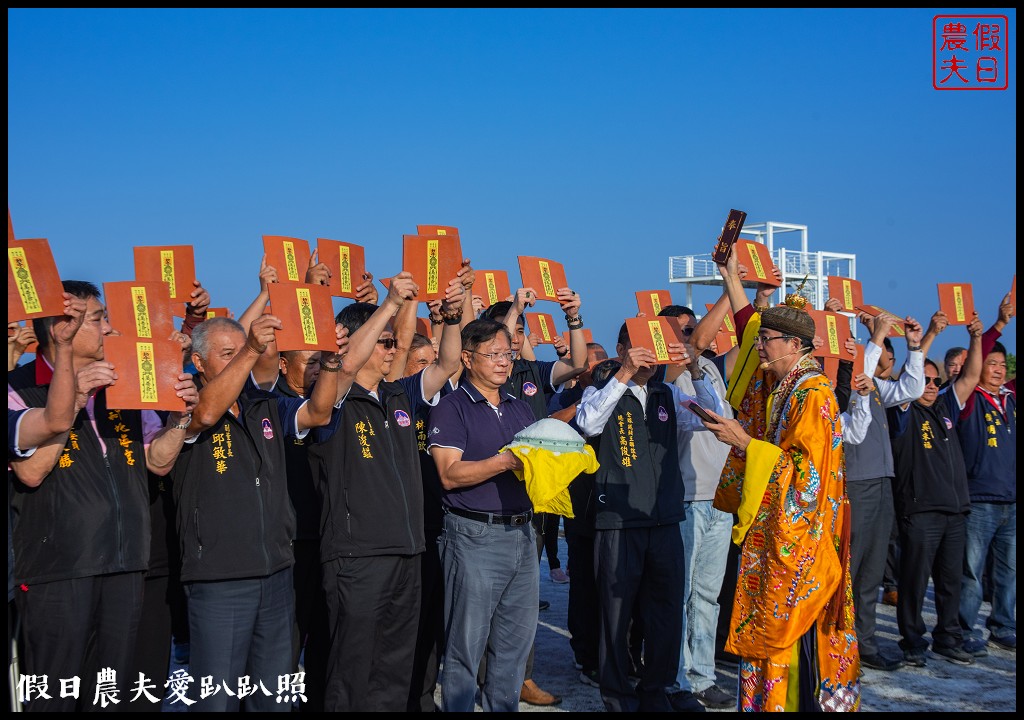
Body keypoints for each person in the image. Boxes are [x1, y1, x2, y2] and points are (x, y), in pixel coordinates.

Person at [9, 281, 198, 712]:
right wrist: (74, 399)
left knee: (110, 694)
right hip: (57, 567)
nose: (111, 329)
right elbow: (32, 471)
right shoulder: (18, 387)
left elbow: (159, 462)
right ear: (62, 327)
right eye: (98, 320)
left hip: (125, 559)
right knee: (55, 695)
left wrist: (179, 420)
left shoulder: (124, 380)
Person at [698, 257, 860, 712]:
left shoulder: (812, 394)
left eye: (767, 342)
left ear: (794, 344)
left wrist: (745, 442)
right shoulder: (786, 384)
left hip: (804, 542)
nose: (759, 349)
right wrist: (731, 277)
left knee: (794, 636)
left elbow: (806, 476)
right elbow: (750, 327)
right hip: (783, 534)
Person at [171, 309, 347, 712]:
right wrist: (252, 347)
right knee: (217, 699)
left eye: (242, 351)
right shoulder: (183, 402)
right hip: (220, 576)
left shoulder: (262, 405)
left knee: (272, 697)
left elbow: (318, 413)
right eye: (227, 353)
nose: (239, 360)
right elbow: (206, 415)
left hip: (276, 573)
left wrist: (333, 362)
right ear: (198, 362)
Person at [307, 273, 465, 712]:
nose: (393, 350)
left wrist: (452, 317)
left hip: (408, 549)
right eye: (385, 343)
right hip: (357, 556)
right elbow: (347, 367)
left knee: (395, 666)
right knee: (353, 668)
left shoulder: (399, 396)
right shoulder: (332, 398)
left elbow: (447, 365)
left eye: (394, 344)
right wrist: (390, 305)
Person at [574, 321, 724, 712]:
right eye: (641, 348)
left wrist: (695, 368)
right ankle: (618, 697)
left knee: (666, 614)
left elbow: (716, 417)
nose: (651, 358)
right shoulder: (601, 389)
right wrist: (624, 374)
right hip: (620, 521)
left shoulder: (668, 393)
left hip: (665, 518)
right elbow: (588, 422)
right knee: (616, 616)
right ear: (623, 348)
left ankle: (657, 692)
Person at [428, 318, 540, 712]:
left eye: (507, 354)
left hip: (524, 534)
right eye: (492, 354)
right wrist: (505, 461)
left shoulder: (520, 407)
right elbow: (449, 474)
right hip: (474, 536)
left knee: (513, 645)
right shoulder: (451, 408)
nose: (503, 362)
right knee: (465, 645)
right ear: (467, 357)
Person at [827, 298, 928, 672]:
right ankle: (840, 642)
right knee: (852, 569)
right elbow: (856, 386)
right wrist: (875, 334)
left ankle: (863, 641)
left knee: (871, 570)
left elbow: (912, 389)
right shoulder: (835, 386)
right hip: (855, 483)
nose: (871, 351)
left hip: (881, 481)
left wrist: (915, 347)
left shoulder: (872, 383)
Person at [887, 311, 983, 667]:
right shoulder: (902, 410)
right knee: (913, 581)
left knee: (950, 582)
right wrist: (925, 336)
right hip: (920, 510)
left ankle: (949, 637)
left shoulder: (945, 405)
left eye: (933, 380)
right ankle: (912, 641)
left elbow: (971, 376)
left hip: (955, 510)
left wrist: (976, 338)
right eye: (923, 380)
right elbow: (911, 381)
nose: (929, 385)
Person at [656, 305, 735, 710]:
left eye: (694, 329)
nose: (692, 337)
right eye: (684, 331)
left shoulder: (710, 369)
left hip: (720, 498)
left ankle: (703, 675)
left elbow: (725, 416)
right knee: (680, 593)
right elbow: (696, 419)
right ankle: (677, 677)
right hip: (685, 498)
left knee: (707, 594)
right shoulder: (661, 375)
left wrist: (701, 370)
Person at [958, 314, 1016, 655]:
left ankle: (1003, 625)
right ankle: (965, 628)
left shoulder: (1010, 399)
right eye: (990, 363)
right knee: (972, 573)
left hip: (1011, 500)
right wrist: (996, 328)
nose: (996, 369)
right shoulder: (969, 400)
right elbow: (980, 354)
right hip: (979, 500)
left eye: (1000, 365)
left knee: (1009, 572)